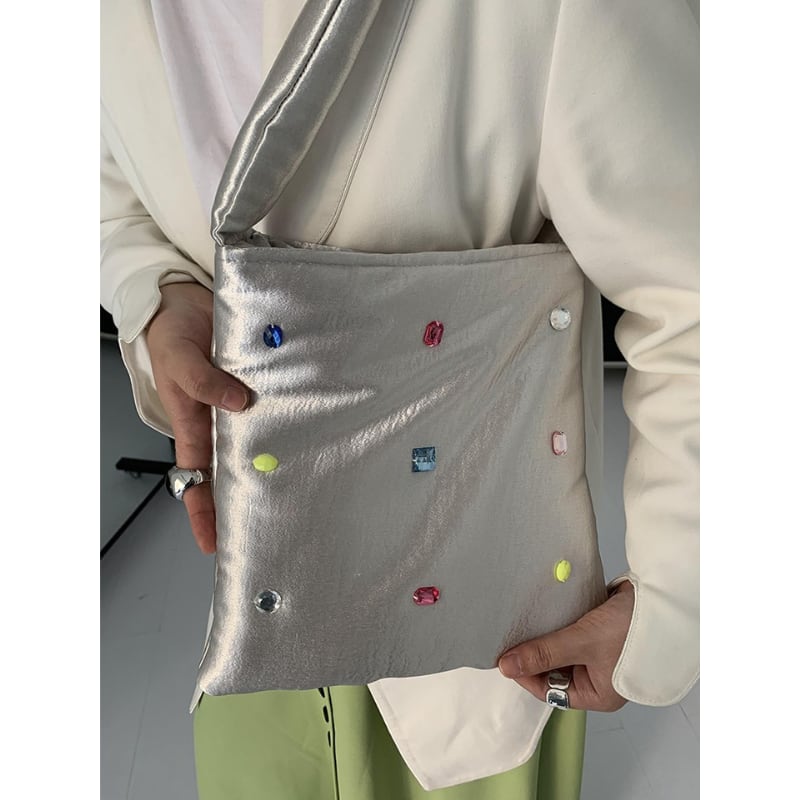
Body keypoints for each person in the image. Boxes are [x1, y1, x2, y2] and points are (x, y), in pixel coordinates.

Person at [100, 1, 699, 797]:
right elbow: (103, 168)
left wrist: (675, 599)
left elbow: (701, 286)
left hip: (478, 635)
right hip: (251, 606)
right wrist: (155, 288)